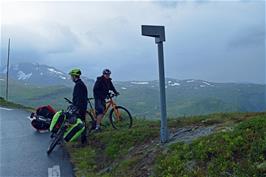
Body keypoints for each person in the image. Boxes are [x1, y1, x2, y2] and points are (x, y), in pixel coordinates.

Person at [69, 68, 88, 144]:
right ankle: (82, 140)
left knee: (80, 123)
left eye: (71, 76)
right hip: (81, 107)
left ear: (74, 76)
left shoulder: (79, 85)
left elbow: (78, 98)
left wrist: (76, 107)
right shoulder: (80, 84)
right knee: (81, 122)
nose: (71, 78)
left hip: (80, 108)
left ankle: (83, 141)